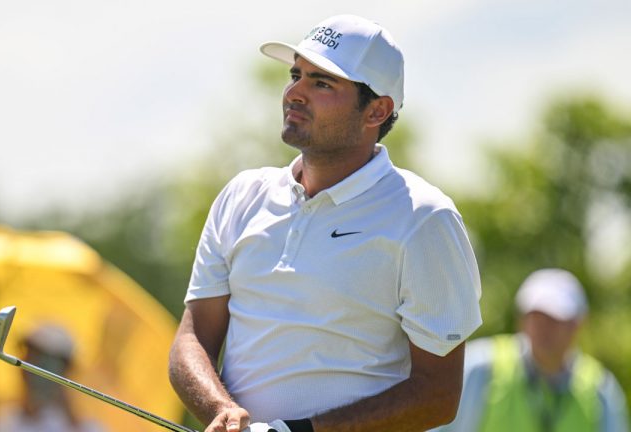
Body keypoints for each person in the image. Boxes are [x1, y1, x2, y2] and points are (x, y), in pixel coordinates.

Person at [168, 14, 482, 432]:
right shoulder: (241, 196)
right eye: (296, 74)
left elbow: (438, 395)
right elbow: (191, 340)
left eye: (322, 83)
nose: (294, 92)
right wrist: (222, 413)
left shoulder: (424, 218)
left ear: (377, 110)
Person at [434, 268, 629, 432]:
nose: (542, 328)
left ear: (576, 326)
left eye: (554, 320)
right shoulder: (480, 366)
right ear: (522, 320)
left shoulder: (600, 390)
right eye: (535, 317)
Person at [0, 323, 105, 432]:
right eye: (28, 359)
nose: (29, 369)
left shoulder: (87, 429)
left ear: (66, 372)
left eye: (45, 363)